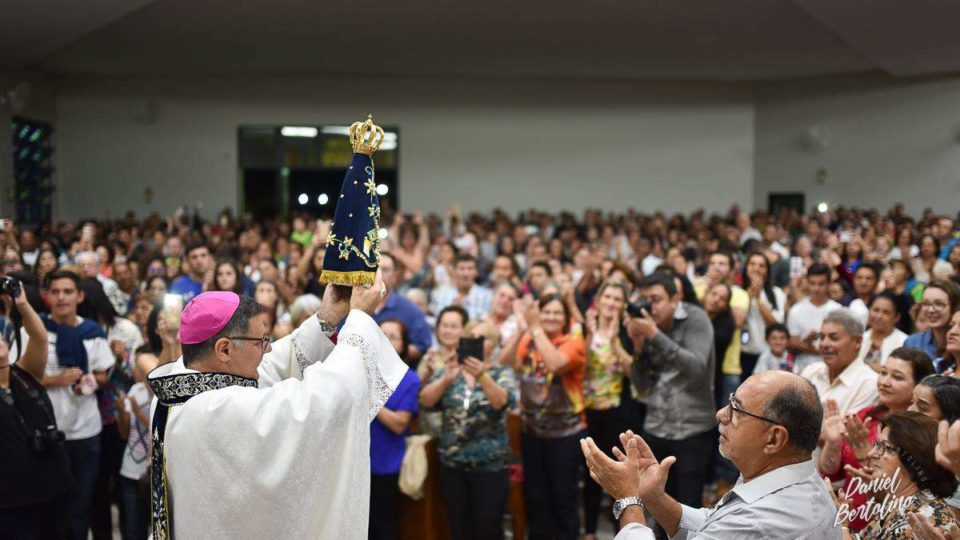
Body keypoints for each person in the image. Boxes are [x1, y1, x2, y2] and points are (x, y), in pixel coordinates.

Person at [146, 271, 409, 539]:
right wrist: (360, 320)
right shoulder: (220, 411)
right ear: (224, 350)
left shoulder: (175, 384)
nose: (268, 349)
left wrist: (327, 317)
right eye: (261, 341)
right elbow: (326, 400)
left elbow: (271, 367)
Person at [581, 370, 839, 539]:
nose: (721, 414)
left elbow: (731, 529)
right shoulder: (795, 477)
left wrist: (628, 500)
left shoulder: (761, 523)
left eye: (736, 410)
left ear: (774, 438)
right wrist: (654, 497)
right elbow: (714, 525)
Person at [15, 270, 114, 540]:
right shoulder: (34, 332)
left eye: (68, 291)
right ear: (46, 296)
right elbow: (17, 378)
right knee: (50, 507)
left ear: (79, 296)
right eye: (55, 292)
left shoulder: (92, 333)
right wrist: (55, 379)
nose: (62, 298)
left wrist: (91, 381)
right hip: (47, 433)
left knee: (81, 505)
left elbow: (104, 374)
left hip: (86, 431)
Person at [625, 273, 716, 517]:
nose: (649, 307)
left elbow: (698, 369)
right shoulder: (644, 325)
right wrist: (637, 347)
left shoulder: (695, 318)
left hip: (692, 429)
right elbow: (641, 386)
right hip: (656, 426)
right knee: (654, 505)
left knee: (687, 509)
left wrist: (655, 335)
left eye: (655, 300)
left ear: (674, 299)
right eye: (644, 300)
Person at [419, 319, 517, 540]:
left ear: (492, 345)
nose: (473, 342)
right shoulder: (450, 370)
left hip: (489, 468)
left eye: (480, 339)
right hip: (453, 466)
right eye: (469, 337)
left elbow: (502, 402)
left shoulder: (501, 373)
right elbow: (425, 400)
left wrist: (482, 375)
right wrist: (446, 379)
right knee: (458, 528)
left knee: (488, 529)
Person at [819, 348, 935, 531]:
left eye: (897, 377)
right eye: (883, 373)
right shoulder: (866, 416)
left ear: (917, 386)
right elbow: (831, 473)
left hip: (887, 524)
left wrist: (864, 453)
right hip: (846, 519)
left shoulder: (919, 436)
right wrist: (832, 443)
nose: (885, 382)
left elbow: (902, 487)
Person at [501, 293, 586, 540]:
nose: (550, 317)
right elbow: (505, 363)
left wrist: (535, 328)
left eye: (556, 312)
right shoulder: (529, 337)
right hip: (532, 432)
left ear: (565, 318)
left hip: (565, 434)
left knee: (563, 497)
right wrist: (521, 330)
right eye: (546, 311)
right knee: (536, 497)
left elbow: (556, 364)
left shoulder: (573, 342)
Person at [0, 284, 72, 540]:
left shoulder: (25, 374)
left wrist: (21, 303)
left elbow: (39, 337)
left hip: (53, 488)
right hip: (12, 504)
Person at [831, 412, 958, 539]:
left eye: (885, 447)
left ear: (915, 458)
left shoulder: (922, 521)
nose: (872, 453)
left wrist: (843, 525)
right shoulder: (900, 501)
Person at [581, 279, 633, 539]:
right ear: (598, 300)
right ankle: (590, 530)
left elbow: (632, 372)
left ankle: (619, 530)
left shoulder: (627, 332)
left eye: (617, 299)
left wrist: (614, 342)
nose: (612, 303)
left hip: (617, 411)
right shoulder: (584, 329)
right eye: (608, 297)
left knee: (616, 471)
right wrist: (591, 335)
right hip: (588, 410)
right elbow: (581, 368)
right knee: (590, 470)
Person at [369, 320, 420, 540]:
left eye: (393, 336)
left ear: (403, 345)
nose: (386, 340)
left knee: (384, 526)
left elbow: (400, 424)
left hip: (386, 464)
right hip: (357, 460)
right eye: (382, 334)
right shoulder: (363, 370)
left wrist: (372, 398)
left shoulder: (409, 379)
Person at [115, 347, 158, 540]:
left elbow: (157, 428)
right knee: (133, 528)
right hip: (130, 470)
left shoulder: (161, 394)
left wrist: (136, 410)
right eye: (137, 366)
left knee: (156, 528)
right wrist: (122, 413)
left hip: (152, 473)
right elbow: (124, 434)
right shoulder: (134, 390)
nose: (137, 371)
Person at [801, 309, 879, 414]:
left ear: (857, 342)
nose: (824, 344)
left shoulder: (869, 384)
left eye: (834, 338)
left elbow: (846, 429)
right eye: (822, 337)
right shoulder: (811, 371)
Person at [372, 253, 432, 363]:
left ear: (394, 276)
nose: (378, 273)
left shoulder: (411, 310)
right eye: (374, 268)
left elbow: (422, 346)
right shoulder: (354, 306)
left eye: (385, 269)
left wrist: (397, 348)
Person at [787, 263, 843, 373]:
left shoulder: (838, 311)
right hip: (802, 370)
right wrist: (805, 342)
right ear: (807, 283)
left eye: (821, 284)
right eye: (812, 283)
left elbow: (842, 346)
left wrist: (808, 346)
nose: (816, 288)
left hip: (831, 370)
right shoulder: (796, 310)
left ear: (829, 284)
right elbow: (792, 344)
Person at [740, 251, 786, 381]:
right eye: (752, 264)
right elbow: (738, 321)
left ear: (767, 270)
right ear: (746, 267)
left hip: (767, 355)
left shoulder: (776, 293)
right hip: (742, 353)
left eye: (761, 265)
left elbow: (776, 325)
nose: (756, 268)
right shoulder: (738, 291)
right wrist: (748, 297)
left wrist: (758, 298)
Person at [904, 280, 960, 369]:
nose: (931, 310)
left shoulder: (957, 344)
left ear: (954, 307)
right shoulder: (913, 342)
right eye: (926, 304)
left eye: (939, 304)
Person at [430, 254, 493, 320]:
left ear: (476, 272)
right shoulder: (441, 296)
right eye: (461, 269)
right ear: (454, 271)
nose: (465, 273)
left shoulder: (487, 296)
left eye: (470, 269)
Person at [856, 292, 907, 372]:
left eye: (886, 313)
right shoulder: (860, 338)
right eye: (875, 310)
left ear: (897, 317)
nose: (879, 316)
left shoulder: (904, 342)